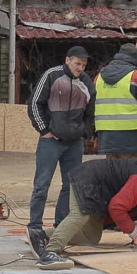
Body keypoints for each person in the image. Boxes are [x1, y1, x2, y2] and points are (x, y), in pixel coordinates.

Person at [34, 155, 137, 269]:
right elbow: (117, 207)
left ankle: (44, 235)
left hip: (102, 187)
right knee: (80, 215)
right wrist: (134, 232)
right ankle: (50, 253)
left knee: (91, 237)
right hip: (90, 177)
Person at [25, 44, 94, 237]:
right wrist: (44, 130)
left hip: (74, 143)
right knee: (41, 185)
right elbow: (34, 105)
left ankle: (60, 226)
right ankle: (35, 226)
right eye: (77, 63)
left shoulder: (87, 82)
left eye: (83, 64)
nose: (80, 68)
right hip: (51, 141)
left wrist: (85, 132)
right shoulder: (51, 76)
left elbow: (91, 112)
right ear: (67, 60)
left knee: (70, 186)